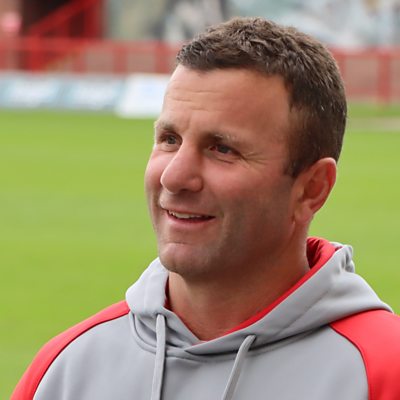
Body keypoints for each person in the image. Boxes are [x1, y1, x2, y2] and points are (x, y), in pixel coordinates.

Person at [13, 17, 400, 400]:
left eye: (222, 148)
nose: (174, 177)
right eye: (169, 139)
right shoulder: (66, 370)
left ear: (311, 189)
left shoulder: (382, 373)